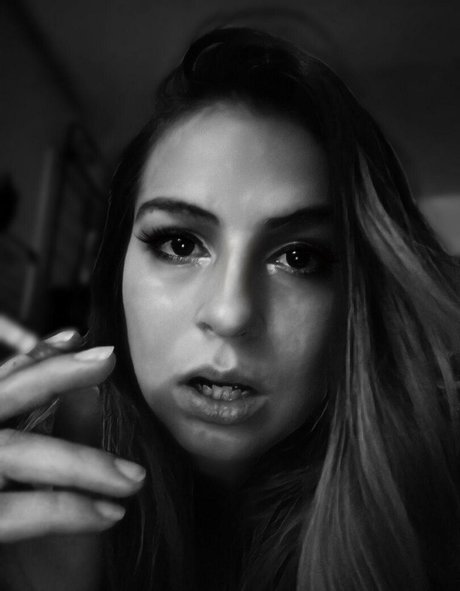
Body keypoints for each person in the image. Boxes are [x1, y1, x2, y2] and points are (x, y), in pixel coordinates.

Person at [0, 26, 459, 591]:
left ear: (360, 299)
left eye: (298, 257)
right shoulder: (19, 486)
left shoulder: (436, 521)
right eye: (180, 244)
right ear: (117, 269)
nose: (230, 313)